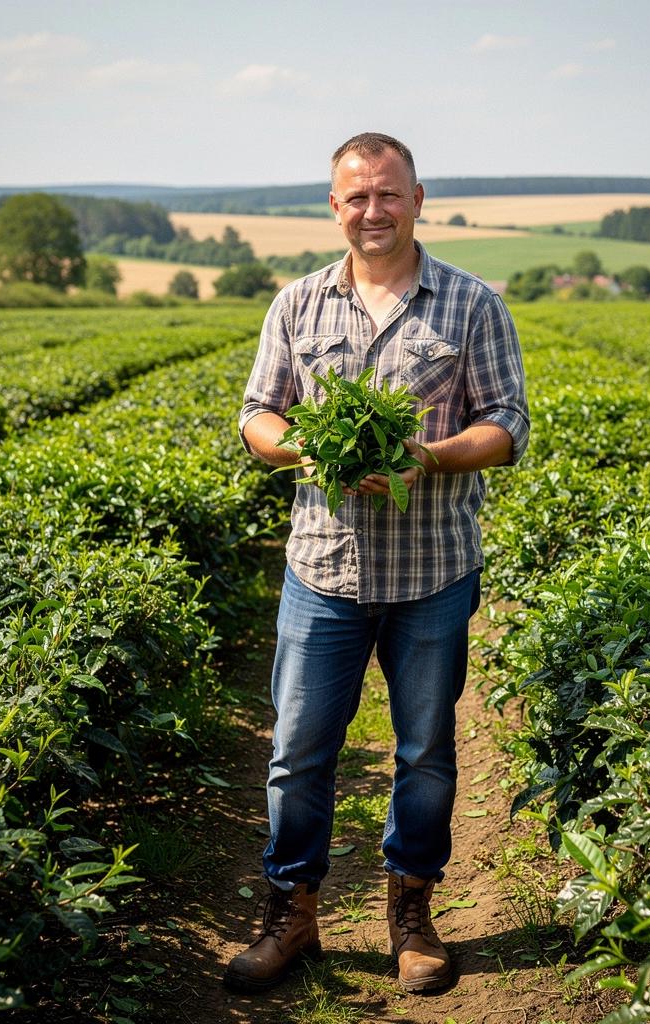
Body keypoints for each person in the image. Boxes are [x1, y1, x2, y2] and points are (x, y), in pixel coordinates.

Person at [225, 131, 529, 995]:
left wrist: (428, 459)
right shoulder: (296, 305)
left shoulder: (471, 305)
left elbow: (507, 424)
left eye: (388, 194)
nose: (372, 211)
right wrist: (303, 451)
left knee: (426, 752)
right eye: (356, 196)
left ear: (418, 197)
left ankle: (412, 913)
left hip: (433, 569)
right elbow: (258, 414)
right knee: (296, 751)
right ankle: (292, 916)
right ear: (334, 206)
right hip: (321, 569)